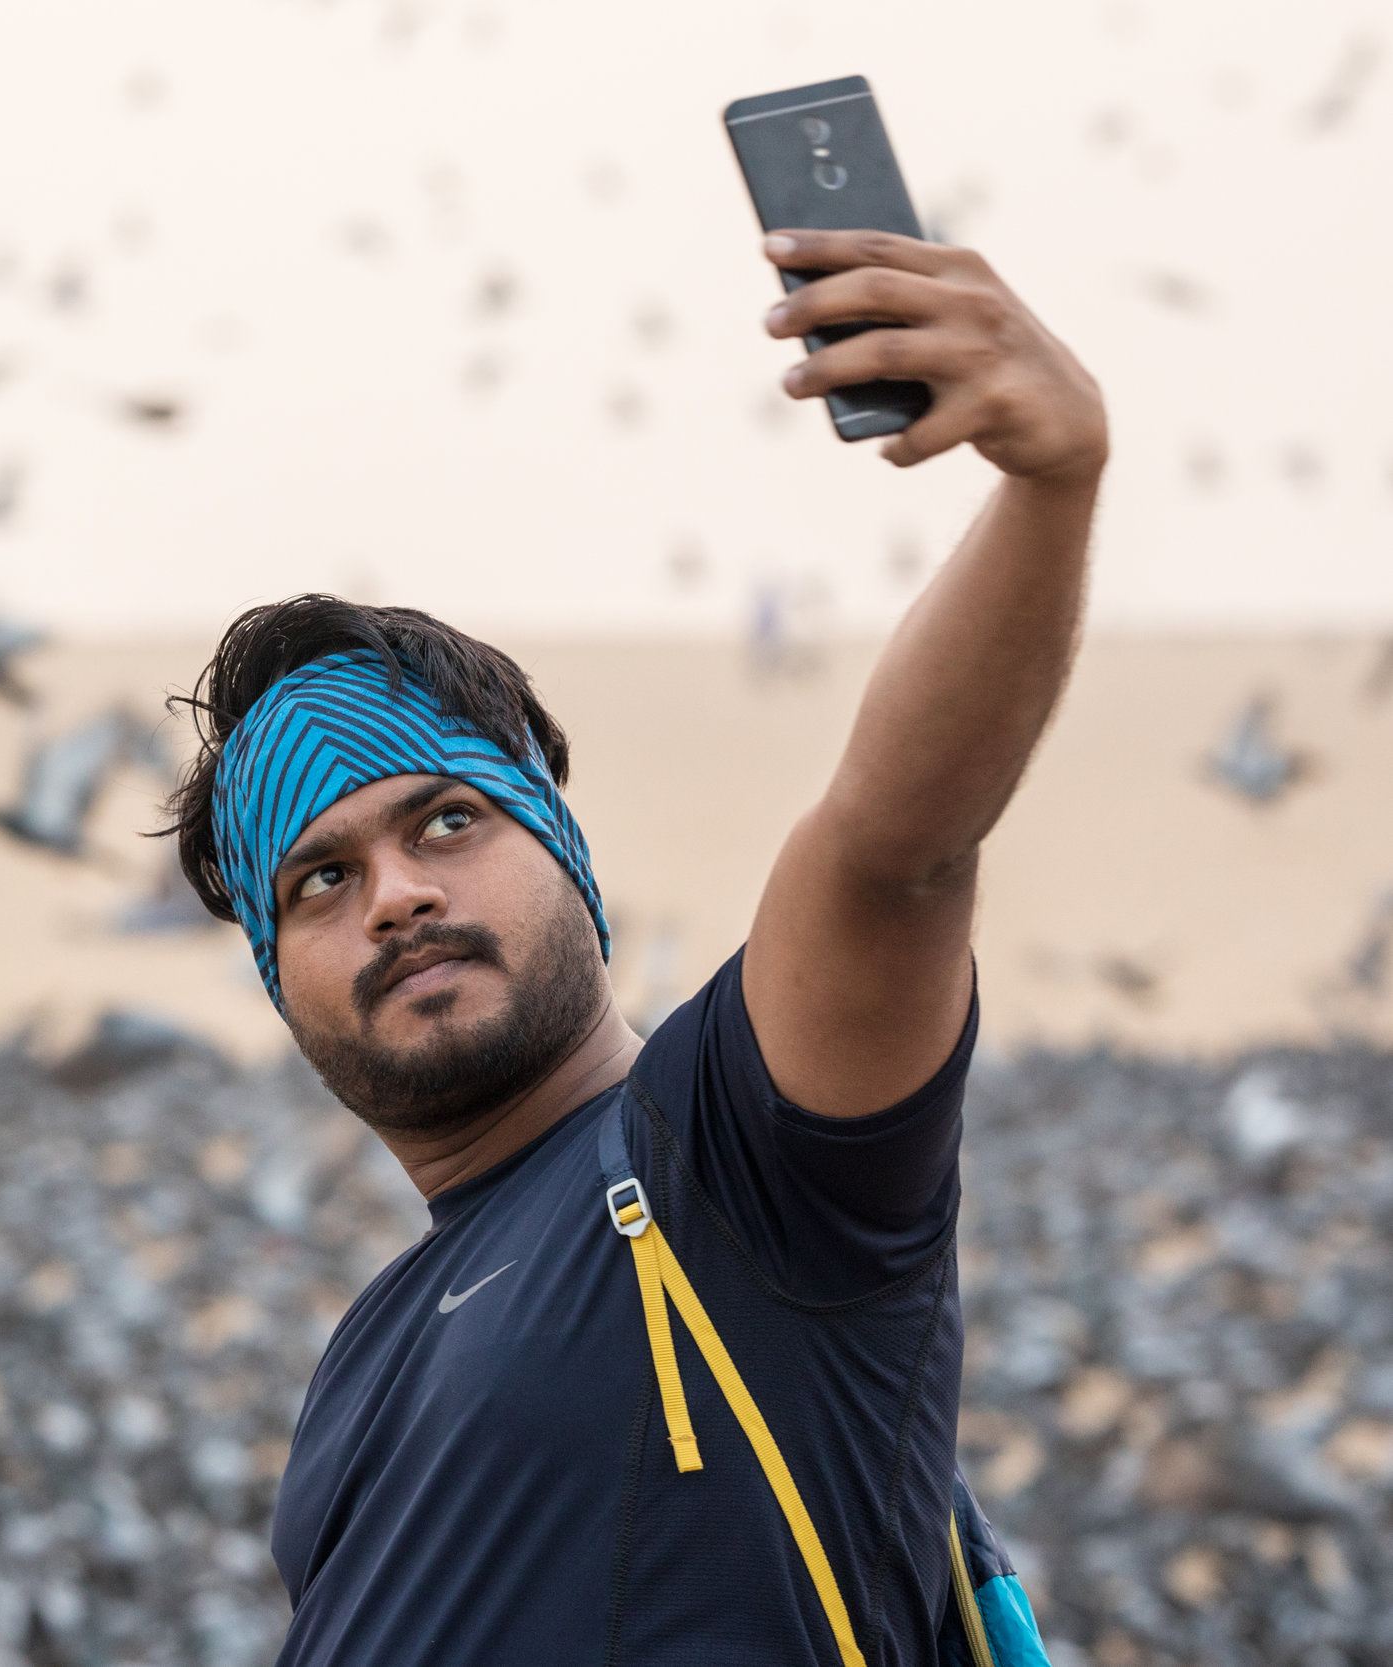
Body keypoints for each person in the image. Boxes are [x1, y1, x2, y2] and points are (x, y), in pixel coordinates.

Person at [160, 228, 1105, 1663]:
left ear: (565, 849)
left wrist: (1049, 489)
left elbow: (890, 850)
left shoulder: (737, 1157)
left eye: (448, 820)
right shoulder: (365, 1354)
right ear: (277, 982)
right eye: (319, 880)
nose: (397, 895)